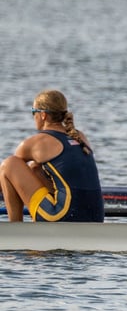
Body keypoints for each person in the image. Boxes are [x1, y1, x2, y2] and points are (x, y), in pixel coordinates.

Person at [0, 89, 104, 222]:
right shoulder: (79, 136)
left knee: (9, 164)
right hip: (96, 218)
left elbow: (5, 176)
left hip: (63, 215)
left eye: (33, 112)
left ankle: (16, 232)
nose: (33, 117)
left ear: (43, 115)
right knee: (35, 168)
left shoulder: (37, 142)